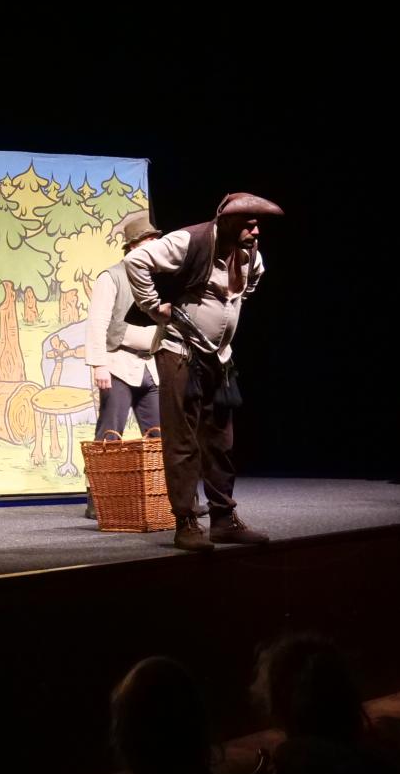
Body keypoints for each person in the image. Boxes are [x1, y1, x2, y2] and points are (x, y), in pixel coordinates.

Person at [125, 191, 282, 551]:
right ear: (227, 221)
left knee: (220, 442)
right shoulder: (190, 240)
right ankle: (186, 522)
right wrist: (153, 307)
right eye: (248, 224)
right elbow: (136, 261)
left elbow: (250, 284)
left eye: (257, 224)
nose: (256, 231)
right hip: (180, 351)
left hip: (220, 358)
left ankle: (224, 520)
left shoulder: (250, 254)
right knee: (182, 442)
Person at [80, 209, 165, 518]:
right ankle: (99, 499)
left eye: (155, 240)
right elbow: (97, 322)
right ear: (132, 246)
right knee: (110, 434)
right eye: (147, 241)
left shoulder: (158, 278)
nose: (154, 245)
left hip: (149, 366)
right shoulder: (112, 276)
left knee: (159, 434)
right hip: (117, 364)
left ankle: (166, 496)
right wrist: (98, 365)